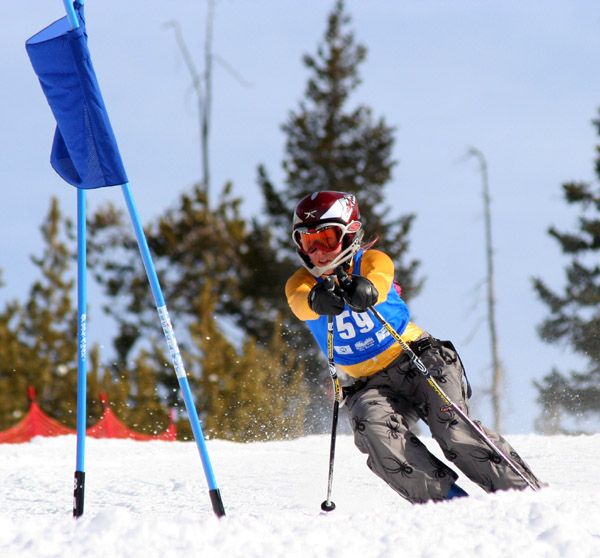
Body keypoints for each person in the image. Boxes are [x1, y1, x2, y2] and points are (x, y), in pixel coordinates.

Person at [285, 190, 541, 504]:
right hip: (368, 384)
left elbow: (379, 279)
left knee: (453, 430)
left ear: (350, 233)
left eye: (327, 237)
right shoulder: (302, 282)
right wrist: (316, 299)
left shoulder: (370, 260)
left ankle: (522, 495)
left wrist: (365, 289)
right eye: (309, 242)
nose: (319, 251)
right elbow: (300, 304)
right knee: (376, 434)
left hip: (419, 360)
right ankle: (448, 505)